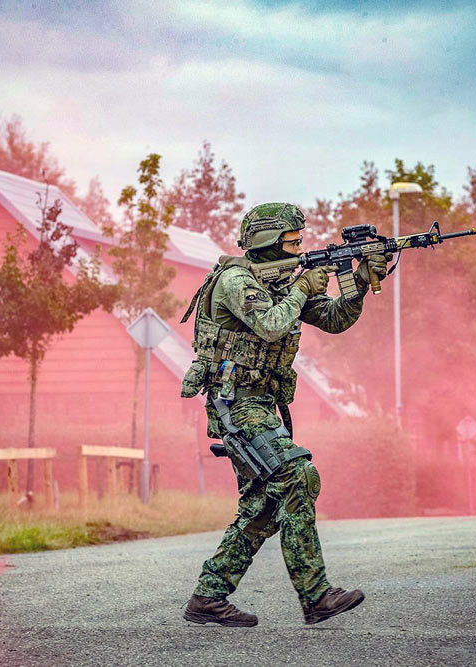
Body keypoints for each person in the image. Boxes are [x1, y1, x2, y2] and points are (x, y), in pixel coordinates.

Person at [178, 202, 392, 626]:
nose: (300, 249)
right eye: (292, 242)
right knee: (297, 477)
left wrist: (361, 281)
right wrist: (302, 287)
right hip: (234, 403)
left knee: (263, 504)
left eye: (300, 242)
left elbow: (334, 320)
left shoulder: (283, 281)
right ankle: (316, 597)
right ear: (267, 241)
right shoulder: (236, 282)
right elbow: (273, 325)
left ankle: (208, 596)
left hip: (261, 404)